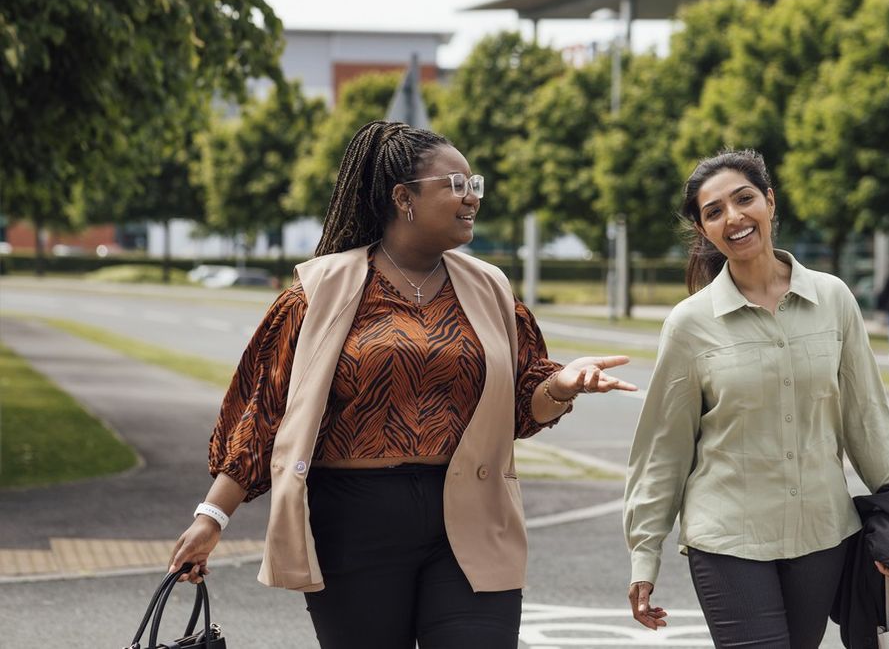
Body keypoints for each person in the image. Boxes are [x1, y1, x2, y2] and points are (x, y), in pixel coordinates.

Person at [168, 121, 636, 649]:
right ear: (403, 199)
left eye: (474, 184)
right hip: (354, 522)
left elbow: (522, 407)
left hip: (472, 512)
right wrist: (211, 517)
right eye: (456, 185)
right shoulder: (319, 290)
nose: (472, 198)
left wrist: (562, 385)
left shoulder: (491, 288)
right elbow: (262, 412)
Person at [623, 150, 889, 649]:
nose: (733, 217)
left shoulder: (834, 299)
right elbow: (662, 449)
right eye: (714, 212)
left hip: (822, 536)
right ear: (703, 229)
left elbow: (866, 421)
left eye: (744, 199)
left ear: (770, 202)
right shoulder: (689, 325)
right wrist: (645, 554)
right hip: (728, 537)